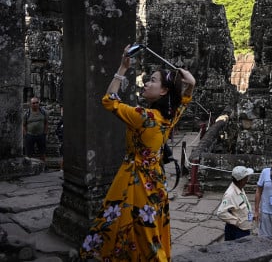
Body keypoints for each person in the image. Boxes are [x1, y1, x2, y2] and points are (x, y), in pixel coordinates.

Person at [80, 44, 196, 261]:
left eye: (153, 80)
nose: (146, 82)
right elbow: (185, 99)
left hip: (135, 179)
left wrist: (121, 69)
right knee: (147, 230)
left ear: (163, 91)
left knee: (136, 230)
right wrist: (191, 84)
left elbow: (109, 100)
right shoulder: (167, 118)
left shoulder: (144, 116)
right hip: (156, 181)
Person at [216, 165, 255, 241]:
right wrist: (237, 221)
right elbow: (221, 213)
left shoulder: (240, 188)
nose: (247, 179)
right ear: (241, 180)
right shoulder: (230, 195)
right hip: (237, 230)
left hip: (244, 228)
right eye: (246, 177)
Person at [23, 97, 48, 162]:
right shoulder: (27, 113)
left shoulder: (43, 112)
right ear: (31, 104)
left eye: (37, 102)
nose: (35, 104)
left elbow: (46, 122)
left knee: (42, 152)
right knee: (28, 153)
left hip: (41, 135)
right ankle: (28, 168)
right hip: (30, 135)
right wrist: (26, 134)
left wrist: (45, 133)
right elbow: (23, 125)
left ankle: (43, 167)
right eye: (33, 103)